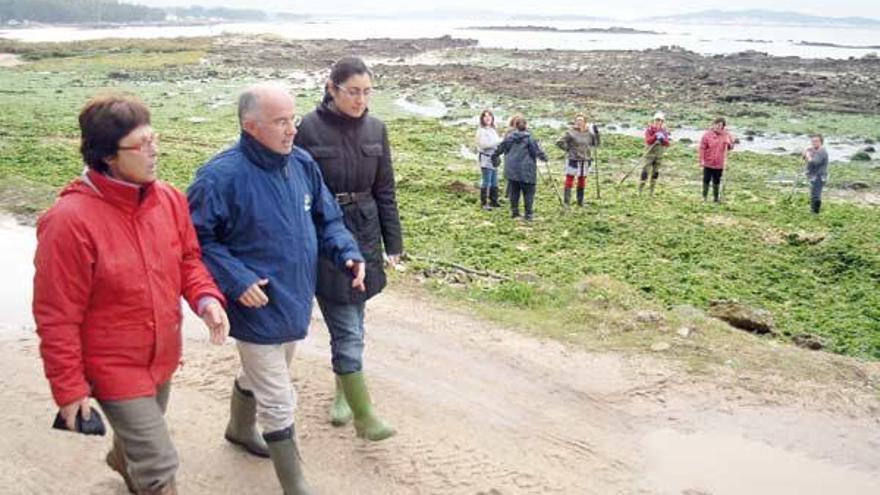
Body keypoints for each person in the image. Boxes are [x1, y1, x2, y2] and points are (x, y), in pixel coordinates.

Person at [33, 95, 229, 495]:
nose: (154, 151)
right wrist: (70, 390)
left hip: (161, 355)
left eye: (153, 139)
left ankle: (122, 460)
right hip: (111, 364)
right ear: (107, 156)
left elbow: (188, 259)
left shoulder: (169, 199)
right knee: (158, 463)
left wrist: (206, 299)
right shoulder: (69, 222)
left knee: (139, 441)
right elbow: (57, 315)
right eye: (140, 145)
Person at [187, 83, 364, 494]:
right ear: (251, 126)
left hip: (294, 298)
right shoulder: (220, 176)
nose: (292, 131)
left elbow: (329, 220)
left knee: (269, 374)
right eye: (280, 122)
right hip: (254, 302)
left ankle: (237, 429)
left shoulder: (301, 164)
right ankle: (295, 483)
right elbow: (195, 240)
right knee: (279, 397)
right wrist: (236, 278)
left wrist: (348, 253)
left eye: (293, 120)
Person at [294, 56, 402, 442]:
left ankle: (343, 391)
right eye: (353, 91)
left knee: (354, 315)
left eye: (366, 92)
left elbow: (385, 189)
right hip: (323, 230)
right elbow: (296, 186)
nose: (360, 99)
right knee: (345, 319)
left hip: (366, 229)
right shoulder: (307, 128)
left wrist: (394, 243)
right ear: (331, 88)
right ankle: (359, 408)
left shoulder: (377, 128)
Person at [492, 117, 548, 221]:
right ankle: (528, 214)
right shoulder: (530, 137)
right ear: (525, 125)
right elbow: (536, 151)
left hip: (511, 169)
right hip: (526, 169)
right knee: (529, 192)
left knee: (514, 191)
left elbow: (500, 149)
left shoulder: (509, 137)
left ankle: (515, 213)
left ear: (515, 125)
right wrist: (544, 157)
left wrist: (494, 157)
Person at [556, 114, 599, 207]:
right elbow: (559, 142)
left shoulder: (589, 134)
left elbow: (596, 143)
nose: (579, 122)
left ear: (585, 122)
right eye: (577, 120)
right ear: (575, 122)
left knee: (582, 179)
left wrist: (597, 133)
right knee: (570, 178)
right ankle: (566, 202)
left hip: (585, 159)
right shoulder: (570, 133)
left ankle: (580, 202)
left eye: (581, 120)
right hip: (573, 159)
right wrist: (568, 149)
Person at [699, 117, 736, 203]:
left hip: (719, 163)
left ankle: (716, 198)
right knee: (706, 179)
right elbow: (702, 148)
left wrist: (730, 143)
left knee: (717, 180)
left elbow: (731, 147)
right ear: (713, 124)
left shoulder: (726, 135)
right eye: (716, 124)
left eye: (720, 125)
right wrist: (702, 159)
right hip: (708, 162)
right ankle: (704, 197)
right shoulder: (707, 135)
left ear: (723, 126)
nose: (718, 127)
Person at [639, 111, 672, 196]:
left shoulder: (664, 131)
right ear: (654, 121)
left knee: (655, 173)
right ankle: (640, 191)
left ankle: (651, 192)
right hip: (649, 154)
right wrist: (655, 136)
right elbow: (648, 141)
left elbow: (667, 143)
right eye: (657, 120)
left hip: (659, 155)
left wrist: (662, 140)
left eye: (661, 121)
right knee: (645, 172)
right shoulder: (649, 130)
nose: (659, 122)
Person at [475, 109, 503, 210]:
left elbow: (496, 143)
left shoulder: (492, 130)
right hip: (486, 158)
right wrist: (498, 141)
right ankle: (484, 203)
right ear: (482, 119)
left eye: (489, 116)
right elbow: (484, 145)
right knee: (487, 181)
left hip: (494, 158)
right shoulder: (481, 131)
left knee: (494, 181)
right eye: (485, 116)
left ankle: (494, 201)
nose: (487, 118)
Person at [803, 134, 829, 214]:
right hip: (813, 175)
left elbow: (814, 162)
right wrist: (806, 153)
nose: (814, 143)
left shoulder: (822, 151)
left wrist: (808, 155)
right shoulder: (814, 150)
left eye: (816, 141)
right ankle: (813, 210)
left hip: (819, 176)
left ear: (821, 142)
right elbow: (805, 158)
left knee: (815, 194)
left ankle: (815, 212)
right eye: (813, 141)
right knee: (813, 193)